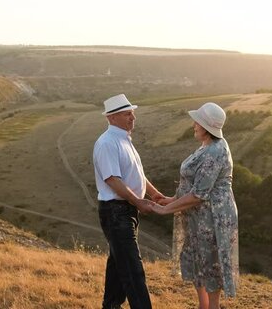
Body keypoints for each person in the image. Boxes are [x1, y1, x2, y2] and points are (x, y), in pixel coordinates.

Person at [153, 102, 239, 309]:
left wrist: (165, 209)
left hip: (212, 217)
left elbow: (199, 194)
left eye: (198, 122)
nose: (193, 124)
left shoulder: (214, 152)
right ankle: (203, 306)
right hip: (199, 216)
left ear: (206, 126)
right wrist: (172, 200)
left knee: (210, 262)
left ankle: (212, 307)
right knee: (197, 258)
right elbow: (193, 185)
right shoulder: (208, 146)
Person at [93, 93, 166, 309]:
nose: (133, 118)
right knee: (133, 268)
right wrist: (138, 201)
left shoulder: (124, 139)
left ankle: (111, 305)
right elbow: (112, 179)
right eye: (127, 114)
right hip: (116, 211)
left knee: (118, 263)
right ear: (112, 118)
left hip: (125, 211)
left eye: (132, 113)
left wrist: (154, 195)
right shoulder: (107, 143)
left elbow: (136, 174)